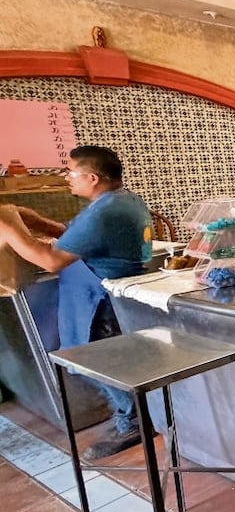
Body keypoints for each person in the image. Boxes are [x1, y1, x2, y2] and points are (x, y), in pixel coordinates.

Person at [0, 146, 152, 459]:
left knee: (101, 364)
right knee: (97, 362)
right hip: (92, 297)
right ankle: (130, 416)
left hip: (98, 302)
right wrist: (35, 221)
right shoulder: (116, 201)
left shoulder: (107, 211)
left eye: (70, 172)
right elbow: (72, 236)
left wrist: (10, 229)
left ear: (92, 177)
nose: (66, 178)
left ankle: (133, 422)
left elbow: (52, 260)